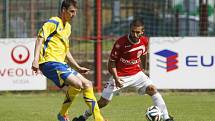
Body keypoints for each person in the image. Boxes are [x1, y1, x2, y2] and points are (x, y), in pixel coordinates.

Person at [74, 19, 174, 121]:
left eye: (137, 32)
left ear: (142, 32)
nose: (135, 34)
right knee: (103, 102)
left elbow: (144, 55)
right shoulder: (120, 43)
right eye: (133, 31)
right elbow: (111, 63)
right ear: (130, 30)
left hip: (137, 74)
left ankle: (166, 118)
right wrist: (116, 79)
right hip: (120, 76)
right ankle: (83, 117)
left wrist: (143, 69)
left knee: (152, 89)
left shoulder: (144, 41)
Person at [31, 0, 106, 121]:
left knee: (87, 84)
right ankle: (99, 119)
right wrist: (35, 60)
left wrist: (77, 67)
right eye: (71, 11)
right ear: (63, 11)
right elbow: (40, 39)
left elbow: (66, 51)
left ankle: (62, 114)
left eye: (75, 12)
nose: (74, 14)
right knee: (77, 84)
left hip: (61, 64)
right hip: (49, 62)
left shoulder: (68, 28)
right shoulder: (53, 22)